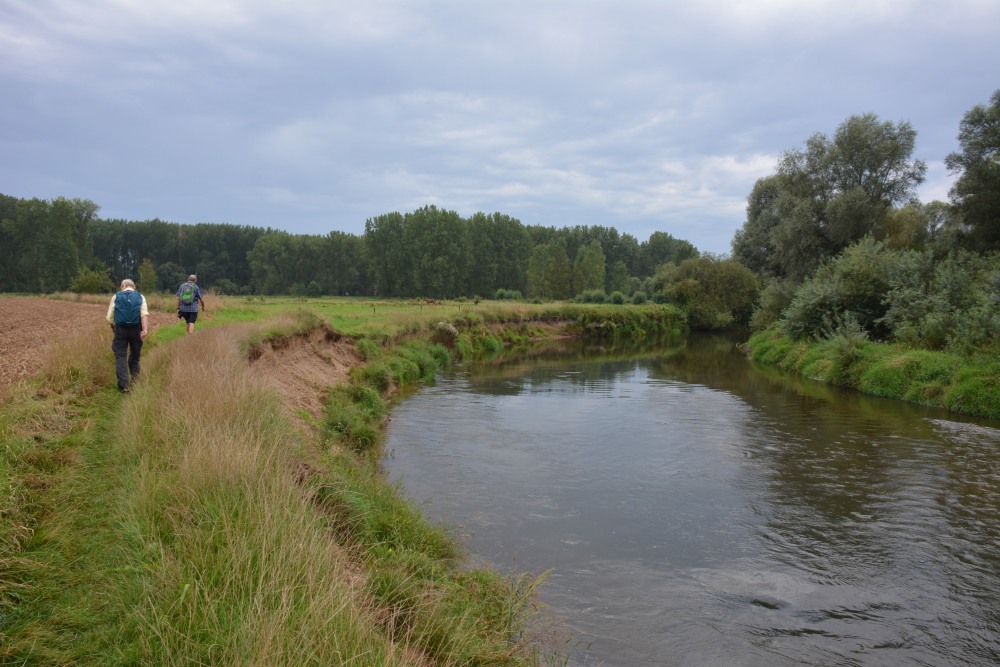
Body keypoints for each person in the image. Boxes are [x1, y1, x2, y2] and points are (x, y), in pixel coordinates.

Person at [106, 278, 149, 393]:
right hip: (135, 329)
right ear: (133, 286)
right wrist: (144, 329)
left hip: (120, 329)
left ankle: (123, 385)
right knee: (135, 357)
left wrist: (113, 327)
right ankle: (134, 383)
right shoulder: (140, 297)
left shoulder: (116, 296)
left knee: (120, 356)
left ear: (123, 286)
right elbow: (144, 314)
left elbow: (110, 317)